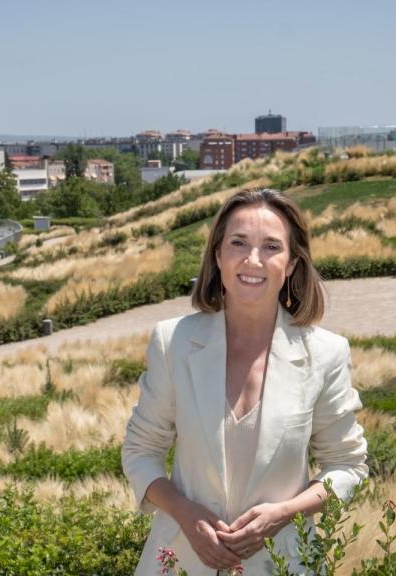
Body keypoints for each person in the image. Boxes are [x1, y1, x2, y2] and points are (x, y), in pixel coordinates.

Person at [122, 188, 369, 576]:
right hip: (178, 561)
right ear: (218, 255)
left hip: (284, 563)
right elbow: (140, 452)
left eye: (271, 246)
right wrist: (185, 514)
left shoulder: (326, 353)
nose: (253, 259)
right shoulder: (174, 343)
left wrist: (284, 514)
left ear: (290, 264)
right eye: (238, 243)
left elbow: (348, 465)